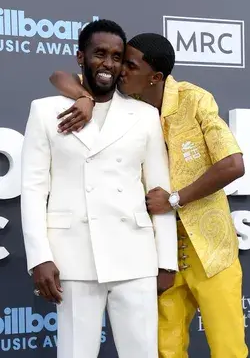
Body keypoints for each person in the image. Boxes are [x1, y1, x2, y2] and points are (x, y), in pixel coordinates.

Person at [49, 32, 248, 358]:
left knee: (229, 350)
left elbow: (232, 164)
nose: (118, 70)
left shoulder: (194, 100)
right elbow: (59, 75)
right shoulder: (128, 104)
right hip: (158, 255)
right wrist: (83, 97)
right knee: (166, 351)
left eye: (129, 64)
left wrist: (174, 199)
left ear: (155, 76)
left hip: (212, 251)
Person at [21, 21, 178, 358]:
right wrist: (40, 256)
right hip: (72, 258)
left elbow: (159, 190)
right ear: (81, 57)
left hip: (135, 256)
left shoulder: (145, 115)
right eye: (100, 54)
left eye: (117, 57)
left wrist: (166, 261)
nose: (108, 63)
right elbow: (33, 189)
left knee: (142, 353)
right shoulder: (45, 112)